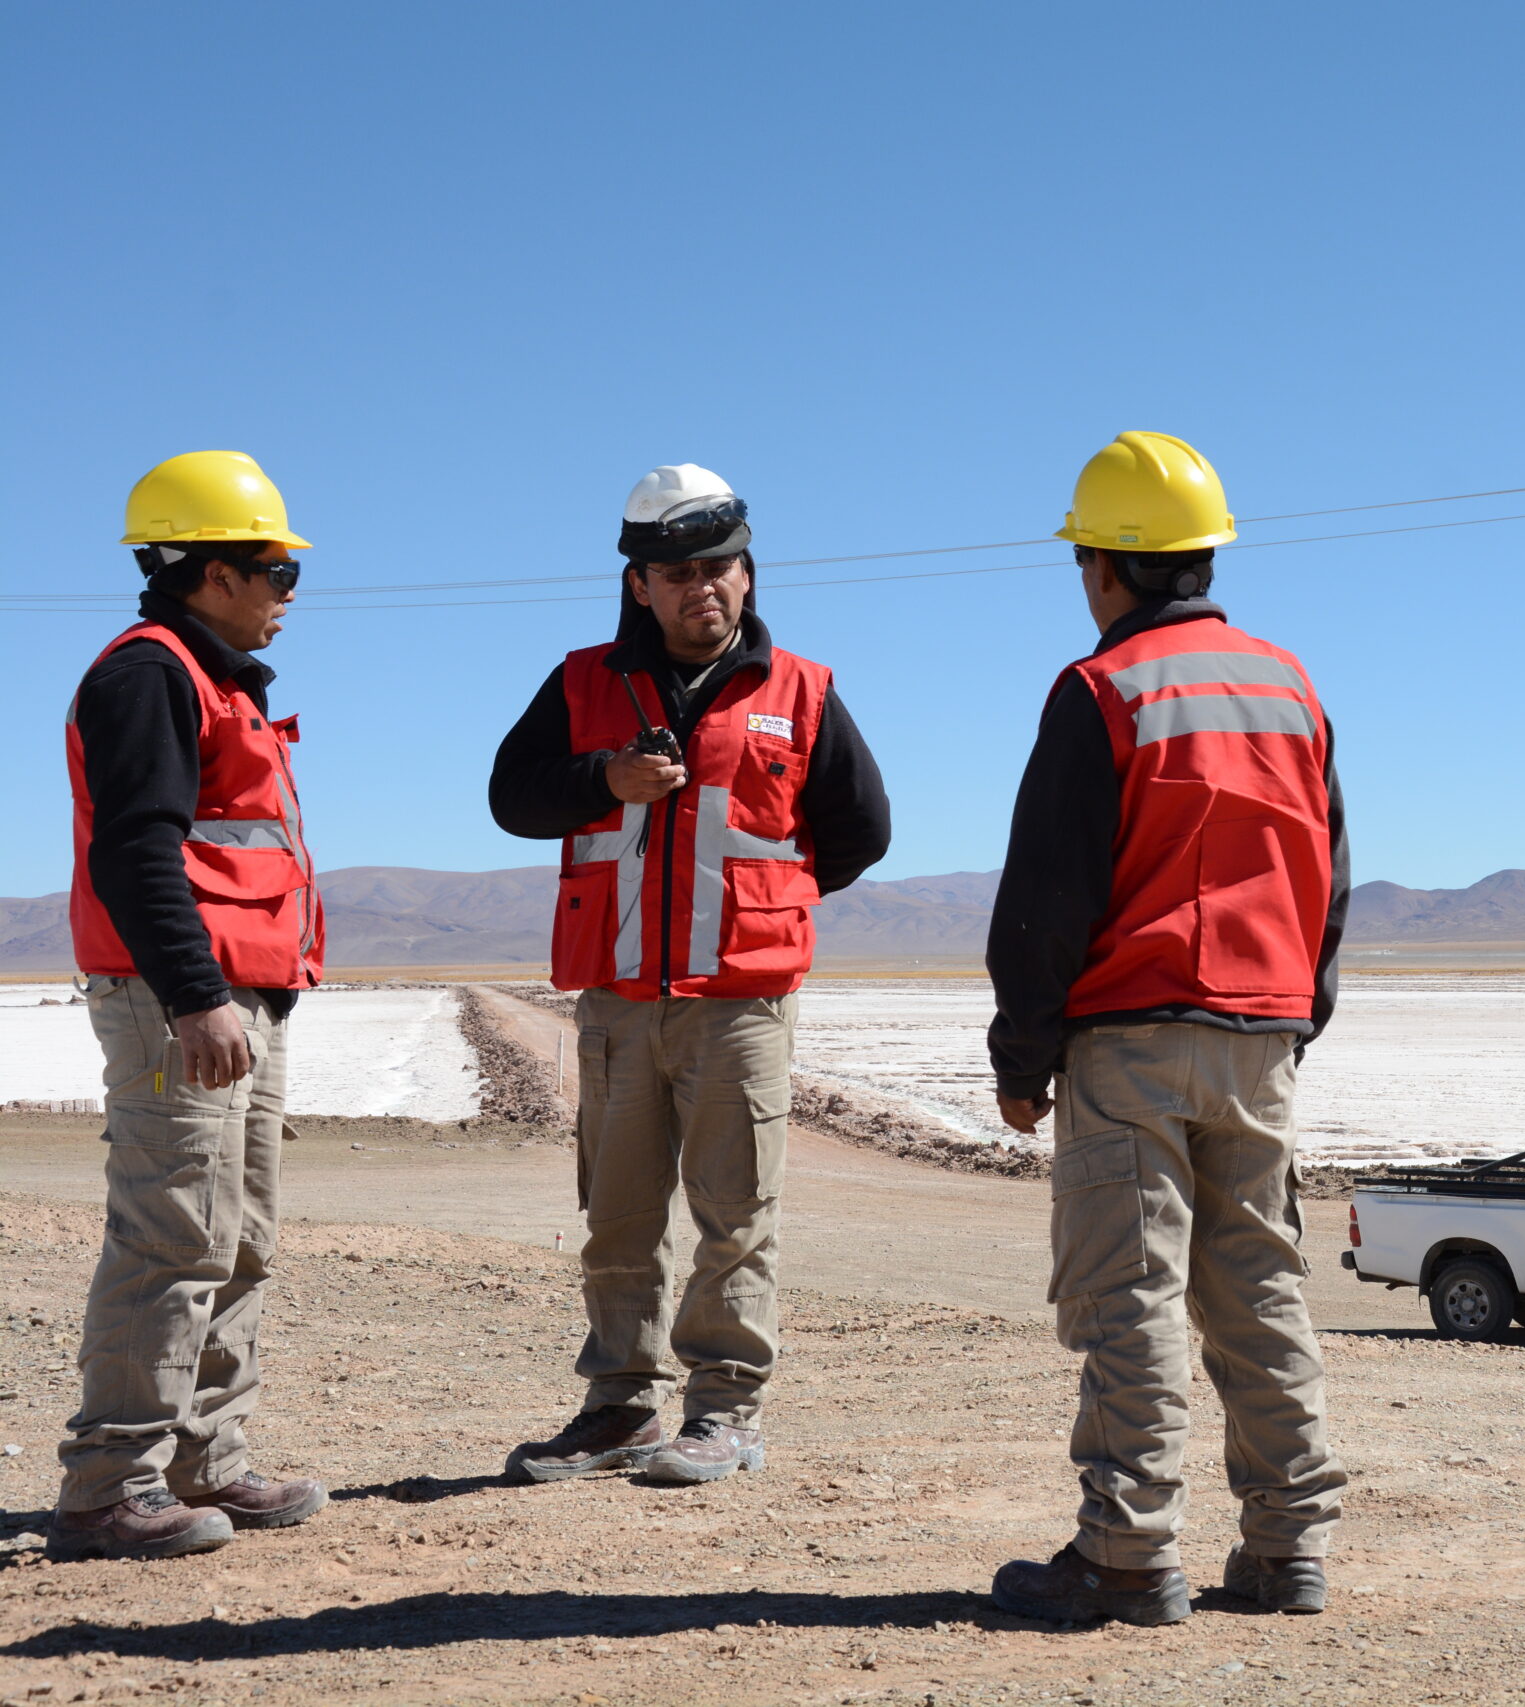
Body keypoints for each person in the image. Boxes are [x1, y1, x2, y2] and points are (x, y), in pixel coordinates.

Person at [986, 432, 1350, 1625]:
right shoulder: (1289, 684)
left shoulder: (1101, 690)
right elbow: (1327, 869)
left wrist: (1023, 1056)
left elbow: (1049, 890)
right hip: (1260, 1036)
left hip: (1132, 1040)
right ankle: (1288, 1548)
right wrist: (1299, 1013)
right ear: (1201, 555)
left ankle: (1129, 1555)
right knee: (1259, 1284)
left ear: (1105, 566)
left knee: (1130, 1292)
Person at [489, 463, 890, 1486]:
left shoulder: (800, 691)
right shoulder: (583, 683)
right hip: (619, 1004)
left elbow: (859, 832)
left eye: (718, 567)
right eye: (675, 572)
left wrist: (768, 910)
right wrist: (603, 781)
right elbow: (513, 797)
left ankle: (723, 1413)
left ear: (747, 576)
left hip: (738, 1007)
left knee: (734, 1214)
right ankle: (620, 1407)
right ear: (640, 587)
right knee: (618, 1217)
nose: (699, 587)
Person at [55, 451, 331, 1559]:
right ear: (208, 573)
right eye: (275, 571)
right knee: (173, 1236)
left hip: (232, 1002)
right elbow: (136, 853)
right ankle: (108, 1483)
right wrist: (196, 994)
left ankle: (203, 1459)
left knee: (239, 1238)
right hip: (182, 1004)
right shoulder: (150, 673)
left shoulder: (213, 681)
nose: (285, 594)